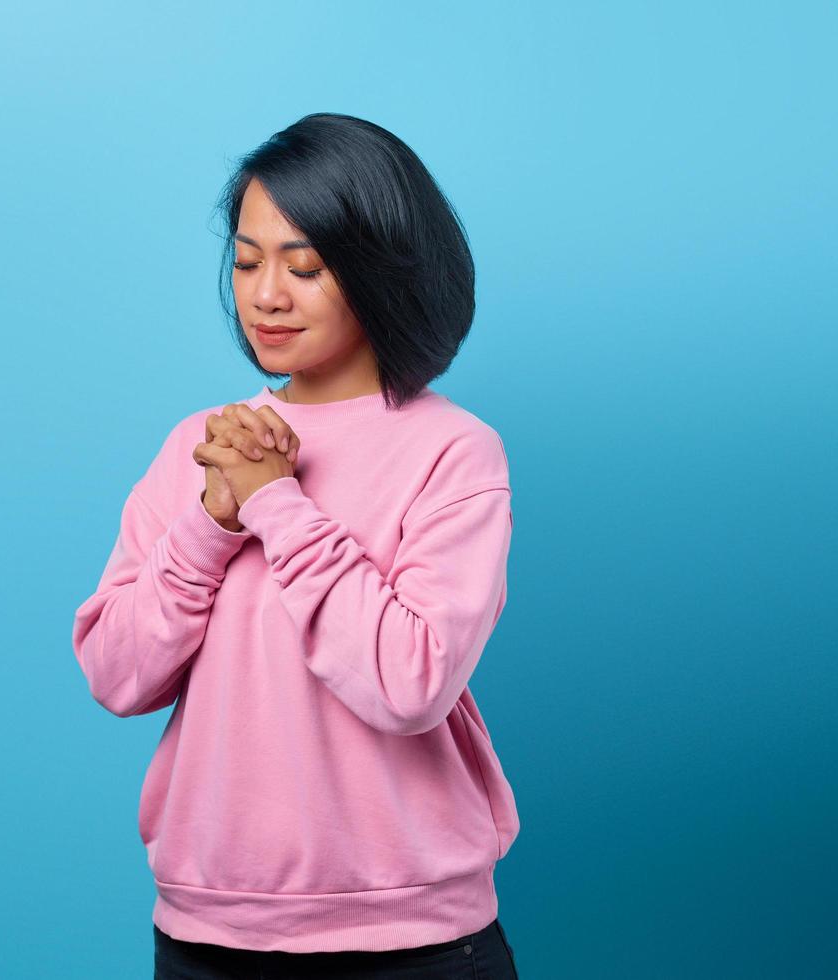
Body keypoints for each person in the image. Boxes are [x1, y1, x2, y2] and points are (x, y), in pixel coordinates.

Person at [73, 112, 521, 978]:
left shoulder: (452, 451)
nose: (265, 295)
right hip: (209, 934)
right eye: (245, 261)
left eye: (304, 266)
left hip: (415, 943)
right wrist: (210, 524)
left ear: (381, 269)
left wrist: (277, 503)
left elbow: (410, 682)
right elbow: (116, 675)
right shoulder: (201, 445)